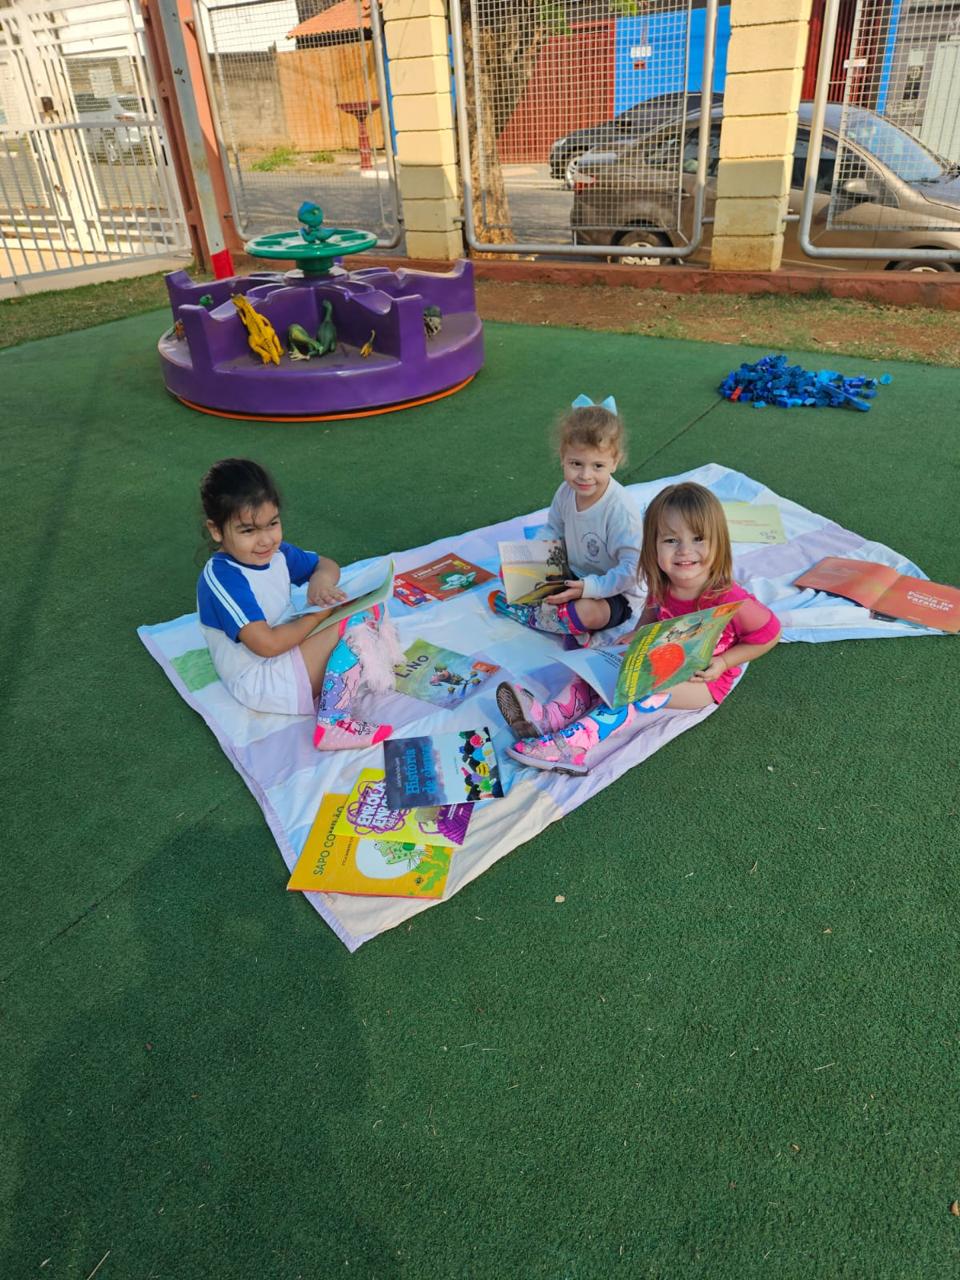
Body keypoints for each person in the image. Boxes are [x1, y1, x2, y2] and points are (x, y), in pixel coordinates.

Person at [499, 481, 782, 773]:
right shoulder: (664, 581)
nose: (685, 551)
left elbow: (770, 634)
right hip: (662, 656)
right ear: (653, 545)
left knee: (638, 689)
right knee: (599, 666)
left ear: (719, 542)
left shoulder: (729, 597)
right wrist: (638, 632)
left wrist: (723, 662)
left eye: (698, 538)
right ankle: (550, 718)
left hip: (703, 682)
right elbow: (652, 608)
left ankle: (573, 747)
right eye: (671, 540)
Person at [196, 457, 398, 750]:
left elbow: (326, 565)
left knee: (369, 603)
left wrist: (321, 582)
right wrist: (317, 617)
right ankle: (333, 723)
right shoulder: (223, 578)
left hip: (286, 649)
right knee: (355, 623)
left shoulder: (275, 553)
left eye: (273, 524)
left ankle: (347, 678)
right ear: (216, 531)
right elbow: (266, 644)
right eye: (248, 531)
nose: (265, 540)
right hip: (261, 679)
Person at [488, 394, 643, 641]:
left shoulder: (620, 510)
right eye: (576, 464)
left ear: (614, 462)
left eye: (598, 466)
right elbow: (553, 530)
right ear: (562, 457)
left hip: (614, 593)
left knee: (586, 613)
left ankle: (533, 615)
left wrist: (588, 589)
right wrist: (531, 558)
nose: (585, 475)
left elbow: (632, 570)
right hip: (571, 575)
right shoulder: (565, 492)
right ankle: (560, 618)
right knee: (509, 570)